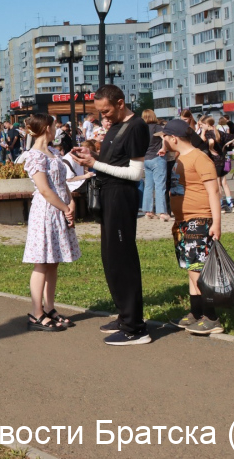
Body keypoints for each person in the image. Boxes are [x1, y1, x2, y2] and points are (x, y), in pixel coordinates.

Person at [71, 85, 150, 346]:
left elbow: (136, 173)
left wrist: (95, 164)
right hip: (109, 196)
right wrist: (91, 156)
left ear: (120, 103)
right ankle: (125, 315)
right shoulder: (116, 126)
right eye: (99, 112)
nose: (103, 116)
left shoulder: (136, 126)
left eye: (106, 111)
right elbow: (114, 161)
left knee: (122, 259)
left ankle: (135, 327)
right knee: (111, 258)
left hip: (121, 197)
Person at [160, 119, 225, 335]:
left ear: (173, 138)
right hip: (183, 221)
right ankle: (196, 313)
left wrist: (216, 223)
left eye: (164, 137)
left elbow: (213, 191)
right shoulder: (179, 157)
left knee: (197, 269)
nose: (162, 141)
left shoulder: (200, 158)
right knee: (191, 267)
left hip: (199, 220)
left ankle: (211, 317)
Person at [22, 113, 81, 332]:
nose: (56, 129)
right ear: (47, 127)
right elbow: (45, 190)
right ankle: (36, 313)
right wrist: (65, 208)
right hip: (46, 212)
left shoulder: (53, 152)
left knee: (53, 261)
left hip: (59, 209)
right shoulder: (35, 156)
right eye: (54, 126)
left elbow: (62, 183)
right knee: (42, 262)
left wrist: (70, 201)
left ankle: (49, 308)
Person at [140, 109, 171, 222]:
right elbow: (165, 138)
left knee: (148, 186)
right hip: (157, 157)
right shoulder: (158, 128)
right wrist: (164, 148)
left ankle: (148, 211)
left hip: (146, 159)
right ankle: (162, 212)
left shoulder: (141, 129)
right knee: (160, 186)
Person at [202, 117, 234, 213]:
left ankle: (220, 205)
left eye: (202, 125)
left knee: (218, 184)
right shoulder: (219, 132)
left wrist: (211, 149)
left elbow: (208, 141)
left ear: (207, 124)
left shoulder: (208, 134)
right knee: (224, 183)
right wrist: (224, 146)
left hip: (215, 161)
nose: (201, 126)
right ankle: (231, 204)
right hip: (222, 159)